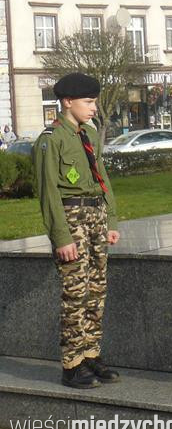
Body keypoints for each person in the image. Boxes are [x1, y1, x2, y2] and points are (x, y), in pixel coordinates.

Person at [33, 73, 121, 389]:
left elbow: (102, 177)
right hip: (71, 218)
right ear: (67, 102)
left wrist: (111, 220)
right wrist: (61, 237)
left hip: (95, 214)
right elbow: (48, 193)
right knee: (75, 291)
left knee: (96, 289)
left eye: (94, 101)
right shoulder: (51, 139)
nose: (93, 107)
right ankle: (72, 363)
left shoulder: (90, 134)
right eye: (88, 101)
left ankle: (91, 354)